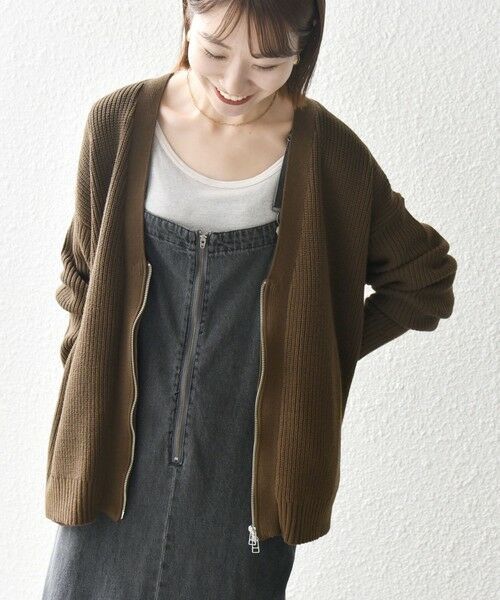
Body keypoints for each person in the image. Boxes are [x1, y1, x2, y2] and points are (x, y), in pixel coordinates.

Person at [42, 1, 457, 598]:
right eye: (214, 51)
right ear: (188, 17)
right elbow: (82, 283)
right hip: (110, 464)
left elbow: (424, 280)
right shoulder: (117, 124)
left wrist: (315, 358)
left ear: (304, 44)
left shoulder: (332, 157)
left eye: (268, 62)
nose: (235, 83)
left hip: (247, 483)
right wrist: (84, 415)